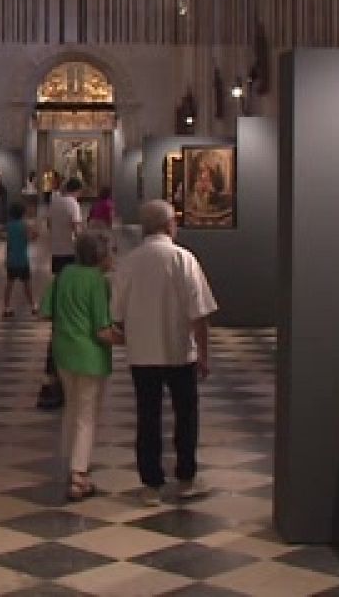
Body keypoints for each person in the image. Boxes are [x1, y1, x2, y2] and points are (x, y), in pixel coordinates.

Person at [111, 199, 218, 505]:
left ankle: (151, 485)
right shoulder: (184, 259)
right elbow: (200, 314)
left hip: (142, 354)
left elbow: (116, 313)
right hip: (179, 353)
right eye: (175, 220)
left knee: (148, 417)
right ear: (167, 224)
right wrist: (204, 356)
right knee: (186, 416)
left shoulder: (129, 262)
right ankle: (186, 478)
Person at [41, 233, 123, 501]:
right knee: (87, 415)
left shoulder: (65, 274)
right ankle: (79, 475)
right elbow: (102, 331)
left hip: (63, 352)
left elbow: (46, 311)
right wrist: (128, 339)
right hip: (89, 356)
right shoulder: (97, 282)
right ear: (100, 256)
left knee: (73, 410)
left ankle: (71, 461)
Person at [36, 177, 85, 409]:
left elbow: (47, 224)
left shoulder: (54, 202)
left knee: (61, 284)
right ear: (77, 190)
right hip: (69, 251)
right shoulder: (72, 204)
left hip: (56, 251)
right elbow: (77, 227)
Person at [2, 203, 35, 317]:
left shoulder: (9, 225)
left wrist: (6, 238)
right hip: (23, 259)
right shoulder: (25, 225)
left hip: (11, 259)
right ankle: (33, 305)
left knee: (9, 284)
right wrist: (28, 238)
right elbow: (35, 234)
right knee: (27, 284)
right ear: (23, 213)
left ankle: (6, 307)